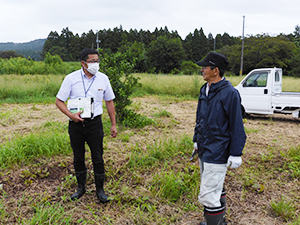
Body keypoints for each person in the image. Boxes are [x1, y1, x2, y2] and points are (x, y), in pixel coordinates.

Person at [55, 48, 117, 203]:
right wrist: (71, 116)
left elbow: (109, 101)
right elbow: (59, 101)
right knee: (78, 157)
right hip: (75, 124)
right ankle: (81, 188)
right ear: (83, 63)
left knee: (98, 156)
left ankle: (100, 191)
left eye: (97, 61)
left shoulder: (103, 78)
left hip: (95, 124)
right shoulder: (71, 78)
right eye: (92, 61)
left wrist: (113, 124)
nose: (96, 64)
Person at [193, 52, 247, 225]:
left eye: (205, 67)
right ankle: (218, 221)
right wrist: (196, 140)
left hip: (218, 150)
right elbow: (200, 118)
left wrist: (236, 152)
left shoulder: (230, 93)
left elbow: (237, 125)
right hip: (204, 148)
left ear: (215, 70)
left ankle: (213, 223)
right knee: (215, 187)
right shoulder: (205, 89)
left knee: (208, 195)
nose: (201, 70)